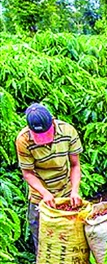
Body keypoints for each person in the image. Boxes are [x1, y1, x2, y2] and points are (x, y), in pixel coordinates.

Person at [15, 103, 83, 253]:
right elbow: (28, 173)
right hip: (39, 195)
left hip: (65, 189)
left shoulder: (67, 131)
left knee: (72, 234)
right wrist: (44, 193)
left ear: (52, 121)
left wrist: (75, 191)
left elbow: (75, 165)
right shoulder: (24, 140)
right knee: (41, 234)